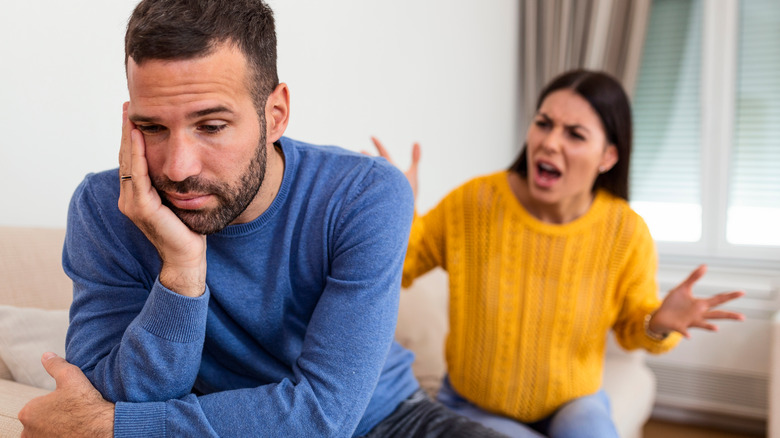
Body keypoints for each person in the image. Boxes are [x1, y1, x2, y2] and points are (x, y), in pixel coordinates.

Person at [17, 1, 508, 437]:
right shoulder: (107, 208)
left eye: (211, 126)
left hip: (387, 420)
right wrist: (183, 273)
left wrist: (116, 430)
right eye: (152, 128)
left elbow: (324, 415)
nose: (177, 167)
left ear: (275, 114)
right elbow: (110, 394)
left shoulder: (365, 194)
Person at [370, 69, 745, 438]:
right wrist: (396, 211)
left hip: (575, 401)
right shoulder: (474, 202)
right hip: (473, 403)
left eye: (574, 134)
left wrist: (659, 321)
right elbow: (405, 265)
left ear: (608, 156)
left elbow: (635, 329)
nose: (550, 142)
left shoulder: (626, 232)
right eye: (544, 124)